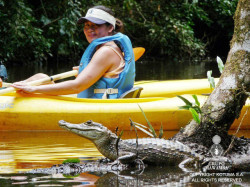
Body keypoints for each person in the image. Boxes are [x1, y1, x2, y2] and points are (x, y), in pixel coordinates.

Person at [12, 5, 135, 99]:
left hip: (98, 106)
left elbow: (77, 86)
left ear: (110, 28)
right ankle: (10, 92)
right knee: (41, 77)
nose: (89, 29)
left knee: (36, 84)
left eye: (95, 25)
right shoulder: (111, 48)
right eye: (87, 25)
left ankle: (11, 96)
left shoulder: (106, 51)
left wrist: (32, 89)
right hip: (94, 100)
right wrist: (86, 71)